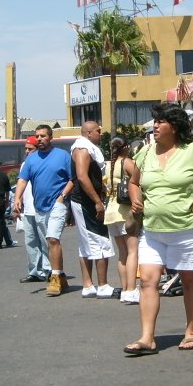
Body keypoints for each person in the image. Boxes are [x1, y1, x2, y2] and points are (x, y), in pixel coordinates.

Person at [123, 103, 193, 355]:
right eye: (155, 121)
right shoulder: (145, 152)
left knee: (190, 280)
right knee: (148, 280)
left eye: (161, 121)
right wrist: (135, 196)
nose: (155, 126)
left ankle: (191, 332)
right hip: (152, 230)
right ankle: (147, 338)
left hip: (186, 228)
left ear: (175, 127)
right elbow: (134, 181)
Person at [12, 124, 74, 296]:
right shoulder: (31, 159)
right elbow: (22, 180)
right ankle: (60, 275)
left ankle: (54, 279)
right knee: (48, 242)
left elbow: (72, 179)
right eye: (37, 136)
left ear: (50, 137)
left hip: (57, 204)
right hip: (39, 206)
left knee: (52, 238)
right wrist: (17, 198)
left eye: (42, 136)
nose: (39, 139)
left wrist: (62, 196)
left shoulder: (62, 156)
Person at [70, 121, 115, 298]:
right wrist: (97, 201)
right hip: (86, 202)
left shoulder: (87, 147)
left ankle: (88, 285)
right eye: (98, 131)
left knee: (87, 243)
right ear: (88, 133)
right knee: (100, 241)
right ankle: (101, 285)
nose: (100, 134)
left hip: (86, 200)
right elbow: (81, 176)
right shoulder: (82, 148)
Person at [104, 137, 140, 304]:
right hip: (125, 211)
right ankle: (132, 289)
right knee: (132, 251)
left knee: (122, 253)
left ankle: (125, 288)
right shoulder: (127, 162)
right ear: (125, 147)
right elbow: (140, 181)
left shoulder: (109, 165)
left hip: (111, 212)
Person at [18, 136, 51, 283]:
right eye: (25, 149)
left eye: (30, 149)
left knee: (45, 241)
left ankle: (48, 270)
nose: (27, 151)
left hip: (42, 208)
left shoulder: (44, 162)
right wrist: (17, 202)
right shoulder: (25, 165)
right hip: (28, 210)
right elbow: (21, 184)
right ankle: (34, 271)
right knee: (30, 242)